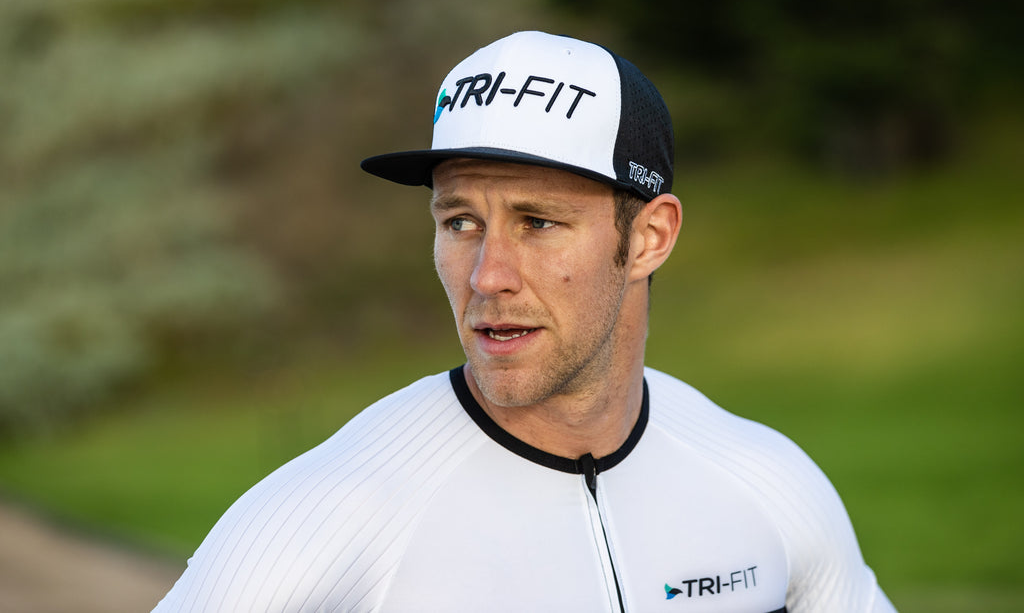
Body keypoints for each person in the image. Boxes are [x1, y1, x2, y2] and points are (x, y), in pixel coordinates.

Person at [154, 31, 896, 612]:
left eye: (537, 222)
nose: (487, 275)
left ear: (648, 238)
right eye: (460, 221)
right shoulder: (323, 514)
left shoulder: (766, 483)